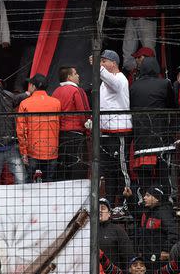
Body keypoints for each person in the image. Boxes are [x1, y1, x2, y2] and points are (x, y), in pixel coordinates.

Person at [129, 56, 177, 193]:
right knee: (163, 174)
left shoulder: (134, 86)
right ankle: (166, 201)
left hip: (141, 139)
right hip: (161, 137)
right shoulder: (165, 84)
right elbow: (172, 106)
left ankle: (145, 204)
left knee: (144, 176)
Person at [92, 50, 132, 204]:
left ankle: (125, 203)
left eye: (104, 61)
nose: (101, 64)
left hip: (118, 131)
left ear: (113, 63)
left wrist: (98, 67)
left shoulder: (120, 78)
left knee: (121, 169)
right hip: (106, 131)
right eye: (100, 61)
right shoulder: (104, 82)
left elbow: (114, 85)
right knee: (109, 171)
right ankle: (110, 203)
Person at [16, 74, 62, 182]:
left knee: (29, 187)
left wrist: (24, 152)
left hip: (33, 151)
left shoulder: (25, 103)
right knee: (49, 185)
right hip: (52, 150)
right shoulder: (56, 103)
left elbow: (21, 130)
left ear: (33, 86)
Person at [52, 66, 91, 180]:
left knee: (63, 168)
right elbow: (83, 112)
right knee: (78, 167)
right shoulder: (77, 91)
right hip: (76, 134)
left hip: (60, 135)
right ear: (69, 77)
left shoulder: (55, 92)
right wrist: (88, 129)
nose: (78, 75)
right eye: (75, 73)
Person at [124, 186, 178, 265]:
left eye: (148, 195)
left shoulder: (164, 213)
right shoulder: (147, 211)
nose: (144, 198)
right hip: (146, 256)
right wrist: (129, 197)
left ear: (157, 198)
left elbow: (173, 233)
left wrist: (166, 250)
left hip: (158, 258)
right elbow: (135, 211)